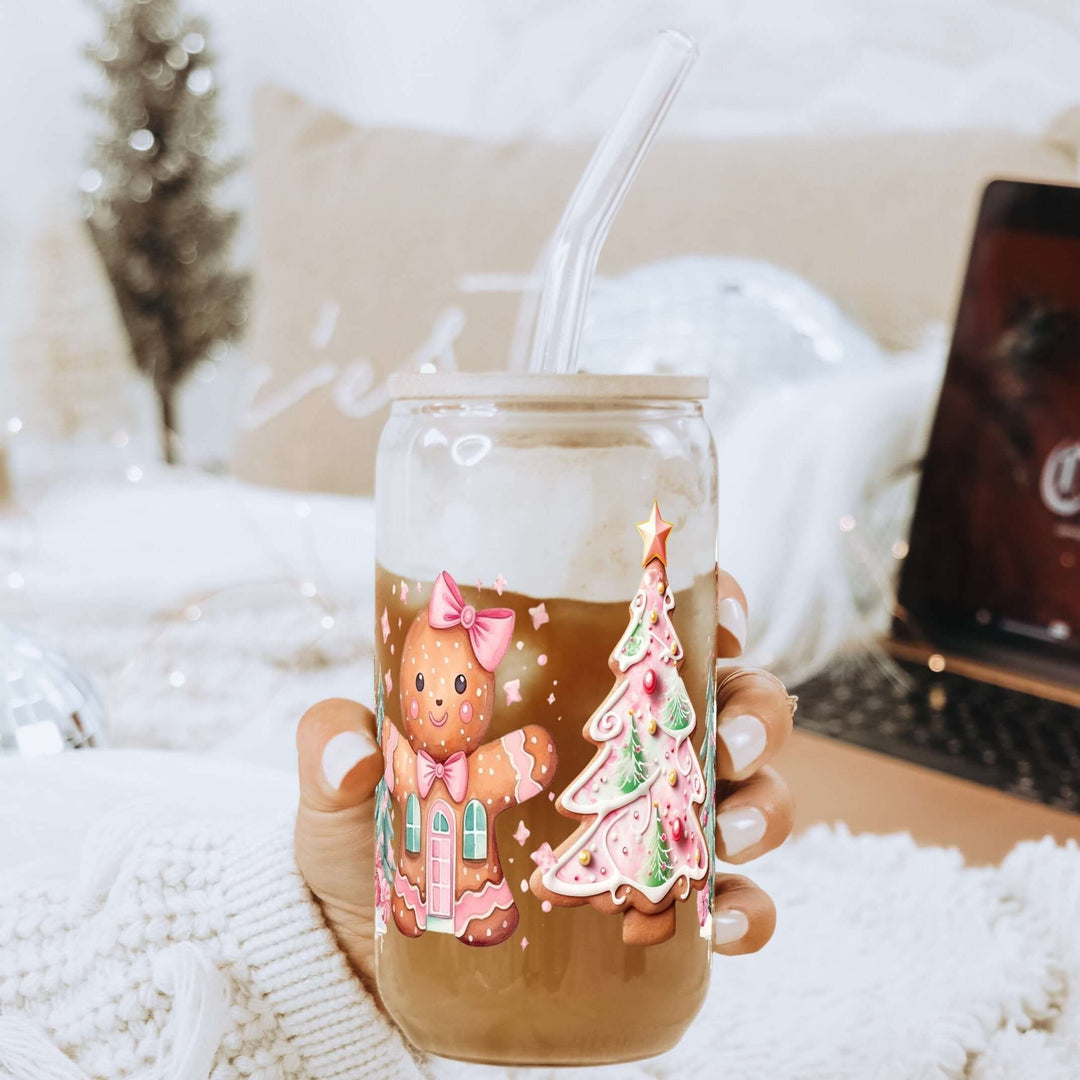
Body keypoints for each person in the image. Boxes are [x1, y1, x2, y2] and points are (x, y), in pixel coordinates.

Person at [0, 574, 793, 1079]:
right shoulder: (419, 766)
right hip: (425, 889)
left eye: (451, 684)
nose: (437, 702)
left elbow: (519, 760)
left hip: (460, 894)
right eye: (425, 683)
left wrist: (318, 941)